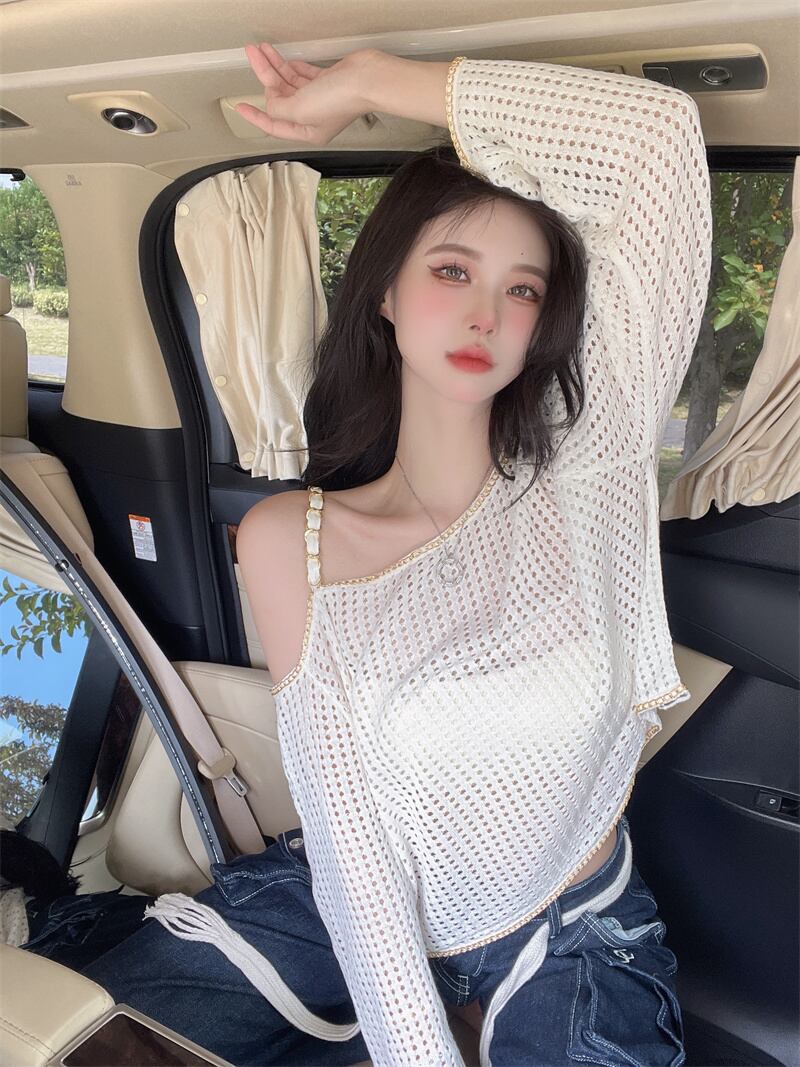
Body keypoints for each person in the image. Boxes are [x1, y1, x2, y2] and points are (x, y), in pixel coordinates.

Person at [83, 44, 712, 1067]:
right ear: (384, 292)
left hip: (565, 925)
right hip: (336, 901)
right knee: (79, 1039)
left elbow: (659, 142)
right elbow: (349, 839)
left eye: (521, 289)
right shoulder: (292, 539)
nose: (484, 312)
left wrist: (374, 80)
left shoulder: (587, 470)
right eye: (451, 270)